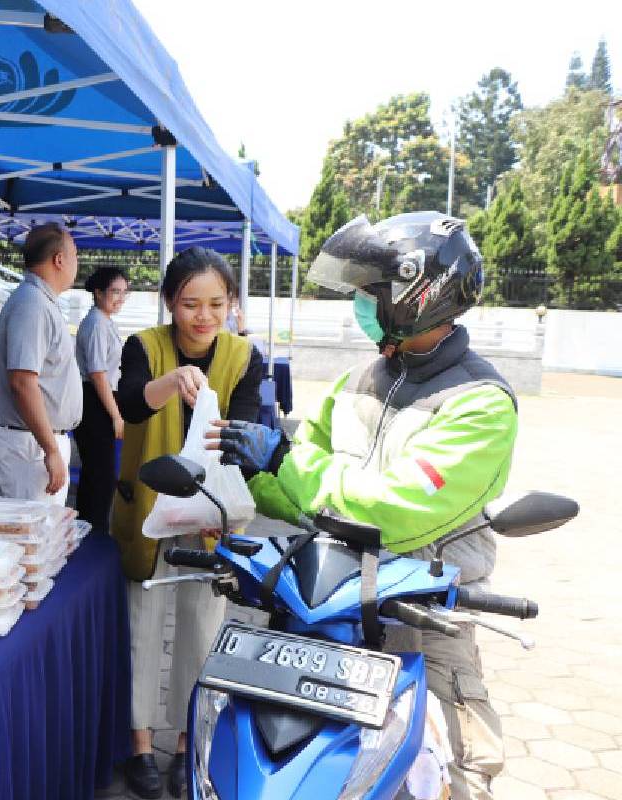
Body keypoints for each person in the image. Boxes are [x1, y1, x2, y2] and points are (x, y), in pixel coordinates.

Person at [209, 212, 514, 800]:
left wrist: (284, 463)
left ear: (417, 296)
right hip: (330, 604)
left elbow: (391, 510)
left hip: (421, 615)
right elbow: (306, 487)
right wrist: (247, 474)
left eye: (372, 292)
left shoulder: (482, 403)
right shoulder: (359, 379)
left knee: (454, 778)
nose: (362, 303)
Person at [113, 247, 264, 799]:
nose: (203, 317)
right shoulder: (144, 347)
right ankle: (139, 748)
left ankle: (185, 746)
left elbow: (244, 437)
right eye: (189, 304)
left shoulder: (245, 356)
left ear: (232, 304)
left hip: (209, 516)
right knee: (143, 626)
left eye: (216, 304)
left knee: (202, 631)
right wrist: (170, 382)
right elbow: (129, 405)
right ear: (170, 303)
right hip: (149, 509)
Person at [0, 223, 82, 504]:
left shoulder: (41, 301)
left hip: (37, 441)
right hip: (31, 445)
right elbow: (22, 382)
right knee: (33, 536)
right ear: (60, 259)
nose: (77, 262)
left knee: (44, 536)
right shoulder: (33, 304)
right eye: (75, 254)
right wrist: (50, 449)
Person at [71, 266, 128, 530]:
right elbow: (97, 374)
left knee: (100, 476)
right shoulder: (95, 324)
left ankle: (90, 532)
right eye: (115, 292)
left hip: (102, 398)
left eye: (124, 293)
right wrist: (115, 415)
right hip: (96, 401)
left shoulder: (104, 321)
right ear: (98, 292)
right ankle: (92, 534)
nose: (120, 298)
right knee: (100, 477)